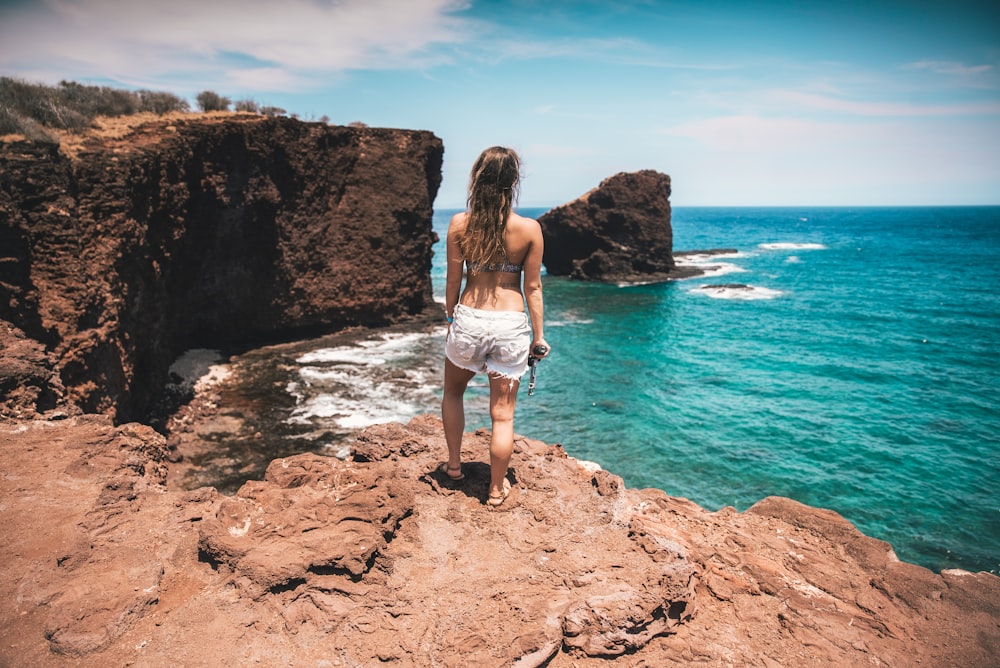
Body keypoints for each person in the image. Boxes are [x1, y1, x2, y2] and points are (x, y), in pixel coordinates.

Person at [440, 146, 549, 507]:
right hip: (510, 324)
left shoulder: (459, 224)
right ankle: (497, 488)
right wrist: (539, 336)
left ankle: (454, 467)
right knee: (503, 415)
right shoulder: (530, 229)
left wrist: (451, 318)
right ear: (513, 181)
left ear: (477, 178)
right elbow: (532, 287)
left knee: (453, 393)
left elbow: (452, 283)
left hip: (470, 316)